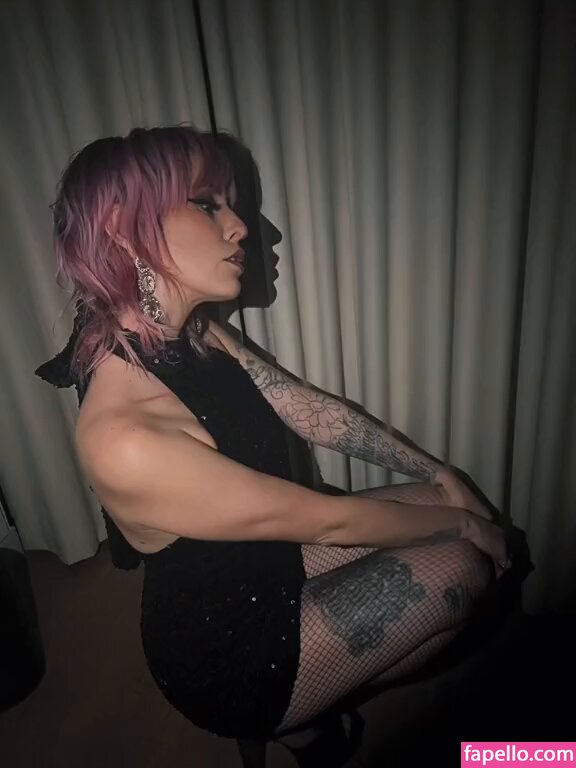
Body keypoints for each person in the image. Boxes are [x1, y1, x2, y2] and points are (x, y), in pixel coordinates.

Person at [35, 125, 511, 764]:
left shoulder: (186, 332)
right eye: (208, 204)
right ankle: (298, 720)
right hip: (233, 650)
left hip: (268, 562)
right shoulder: (124, 436)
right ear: (123, 227)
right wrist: (464, 524)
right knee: (463, 565)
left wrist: (438, 472)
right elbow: (328, 519)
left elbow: (308, 410)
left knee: (439, 505)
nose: (244, 227)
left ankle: (313, 715)